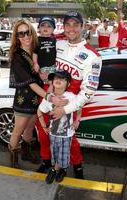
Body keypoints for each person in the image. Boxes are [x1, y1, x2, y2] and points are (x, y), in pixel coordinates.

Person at [36, 11, 102, 179]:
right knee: (43, 136)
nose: (71, 29)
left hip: (69, 104)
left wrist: (66, 109)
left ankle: (77, 169)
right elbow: (38, 47)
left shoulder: (94, 56)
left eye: (75, 24)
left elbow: (89, 91)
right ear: (63, 27)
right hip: (48, 96)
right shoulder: (57, 43)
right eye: (68, 25)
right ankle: (47, 164)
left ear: (82, 27)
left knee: (70, 141)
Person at [9, 19, 48, 168]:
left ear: (32, 32)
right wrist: (48, 96)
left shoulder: (36, 50)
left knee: (30, 128)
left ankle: (26, 153)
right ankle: (13, 160)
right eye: (21, 34)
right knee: (18, 130)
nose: (26, 36)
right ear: (17, 37)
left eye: (28, 32)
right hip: (23, 99)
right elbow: (30, 82)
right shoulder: (17, 56)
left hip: (36, 98)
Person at [38, 70, 81, 184]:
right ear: (52, 82)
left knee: (64, 154)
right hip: (53, 134)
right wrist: (43, 126)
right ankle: (61, 170)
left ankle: (55, 170)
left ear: (68, 84)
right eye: (56, 78)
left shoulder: (71, 96)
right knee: (56, 153)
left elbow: (79, 106)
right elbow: (40, 111)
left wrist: (77, 120)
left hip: (67, 134)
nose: (58, 80)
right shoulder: (49, 98)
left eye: (62, 79)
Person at [32, 16, 56, 81]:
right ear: (39, 27)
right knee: (43, 82)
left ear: (53, 29)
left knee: (52, 83)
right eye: (43, 25)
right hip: (42, 68)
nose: (46, 28)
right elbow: (35, 53)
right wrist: (35, 63)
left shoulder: (55, 40)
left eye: (49, 26)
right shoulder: (37, 40)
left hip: (53, 67)